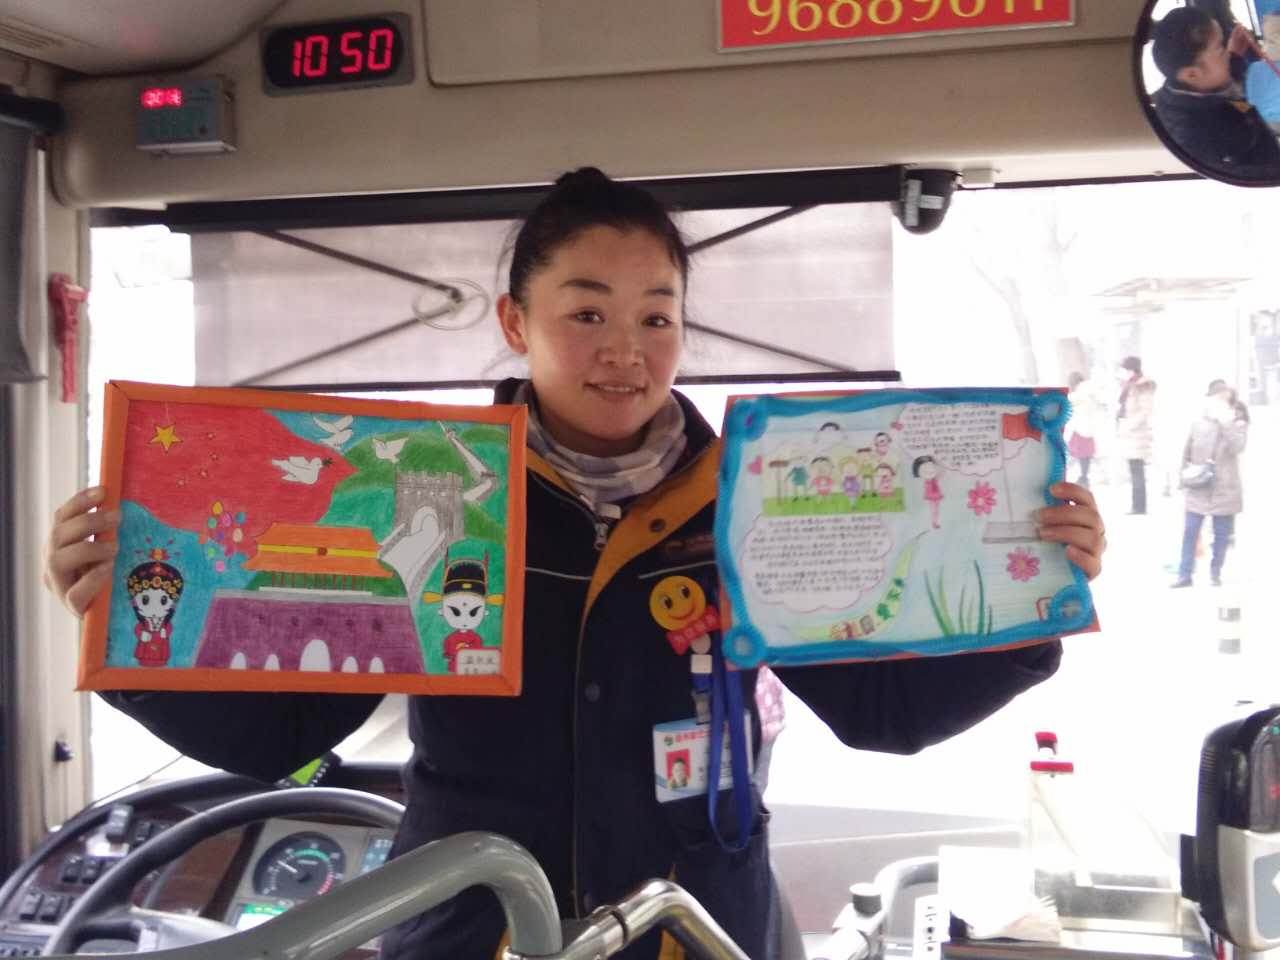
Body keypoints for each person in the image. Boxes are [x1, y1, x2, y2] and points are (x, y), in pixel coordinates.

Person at [43, 168, 1107, 960]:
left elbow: (881, 711)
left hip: (691, 925)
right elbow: (285, 730)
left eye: (656, 316)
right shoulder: (432, 491)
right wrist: (122, 626)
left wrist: (1030, 601)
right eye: (586, 312)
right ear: (516, 321)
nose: (625, 349)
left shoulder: (752, 501)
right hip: (475, 922)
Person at [1149, 7, 1280, 177]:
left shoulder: (1199, 84)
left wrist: (1235, 57)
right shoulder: (1199, 138)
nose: (1227, 54)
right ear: (1192, 74)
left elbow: (1221, 86)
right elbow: (1250, 175)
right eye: (1220, 49)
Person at [1172, 380, 1248, 588]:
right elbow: (1187, 451)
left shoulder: (1238, 422)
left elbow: (1238, 447)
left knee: (1221, 534)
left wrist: (1226, 422)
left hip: (1225, 488)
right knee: (1190, 531)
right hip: (1198, 485)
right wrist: (1182, 479)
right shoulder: (1199, 421)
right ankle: (1185, 574)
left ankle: (1216, 573)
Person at [1116, 356, 1157, 515]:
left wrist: (1128, 426)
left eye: (1124, 369)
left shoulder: (1142, 386)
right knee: (1134, 470)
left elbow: (1145, 411)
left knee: (1137, 470)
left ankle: (1139, 506)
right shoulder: (1129, 385)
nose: (1122, 373)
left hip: (1137, 434)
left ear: (1131, 370)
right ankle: (1137, 505)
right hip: (1130, 434)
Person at [1066, 371, 1105, 489]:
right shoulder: (1090, 392)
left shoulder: (1076, 395)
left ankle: (1083, 478)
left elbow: (1070, 407)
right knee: (1085, 455)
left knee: (1079, 454)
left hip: (1079, 427)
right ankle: (1084, 477)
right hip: (1089, 428)